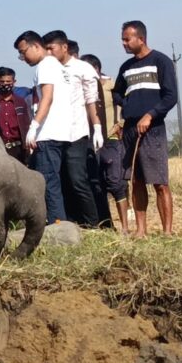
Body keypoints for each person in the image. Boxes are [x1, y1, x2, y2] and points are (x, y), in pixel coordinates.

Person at [112, 21, 178, 236]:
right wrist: (129, 106)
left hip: (153, 129)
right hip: (131, 129)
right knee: (137, 180)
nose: (124, 43)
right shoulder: (126, 67)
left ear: (141, 38)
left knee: (159, 182)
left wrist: (150, 115)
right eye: (122, 39)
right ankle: (141, 230)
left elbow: (171, 96)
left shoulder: (161, 61)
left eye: (127, 39)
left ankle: (167, 232)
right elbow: (117, 93)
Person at [42, 31, 102, 228]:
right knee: (60, 179)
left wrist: (97, 127)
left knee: (78, 179)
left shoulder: (82, 68)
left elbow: (91, 100)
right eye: (46, 48)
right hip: (54, 132)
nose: (49, 52)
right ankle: (67, 222)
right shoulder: (48, 69)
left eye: (52, 48)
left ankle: (92, 224)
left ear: (64, 47)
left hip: (77, 132)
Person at [14, 32, 74, 225]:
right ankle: (59, 222)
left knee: (48, 183)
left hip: (48, 133)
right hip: (61, 132)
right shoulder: (57, 66)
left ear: (36, 46)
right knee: (54, 181)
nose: (23, 58)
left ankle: (56, 225)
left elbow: (47, 97)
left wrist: (34, 126)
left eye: (24, 52)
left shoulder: (46, 65)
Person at [82, 54, 132, 234]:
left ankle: (125, 228)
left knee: (116, 184)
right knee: (96, 184)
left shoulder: (111, 86)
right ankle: (105, 225)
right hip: (90, 141)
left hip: (111, 140)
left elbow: (125, 106)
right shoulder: (81, 89)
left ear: (96, 69)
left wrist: (120, 125)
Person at [0, 67, 31, 164]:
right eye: (2, 81)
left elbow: (26, 124)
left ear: (14, 81)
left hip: (18, 149)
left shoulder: (21, 102)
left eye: (8, 81)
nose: (5, 84)